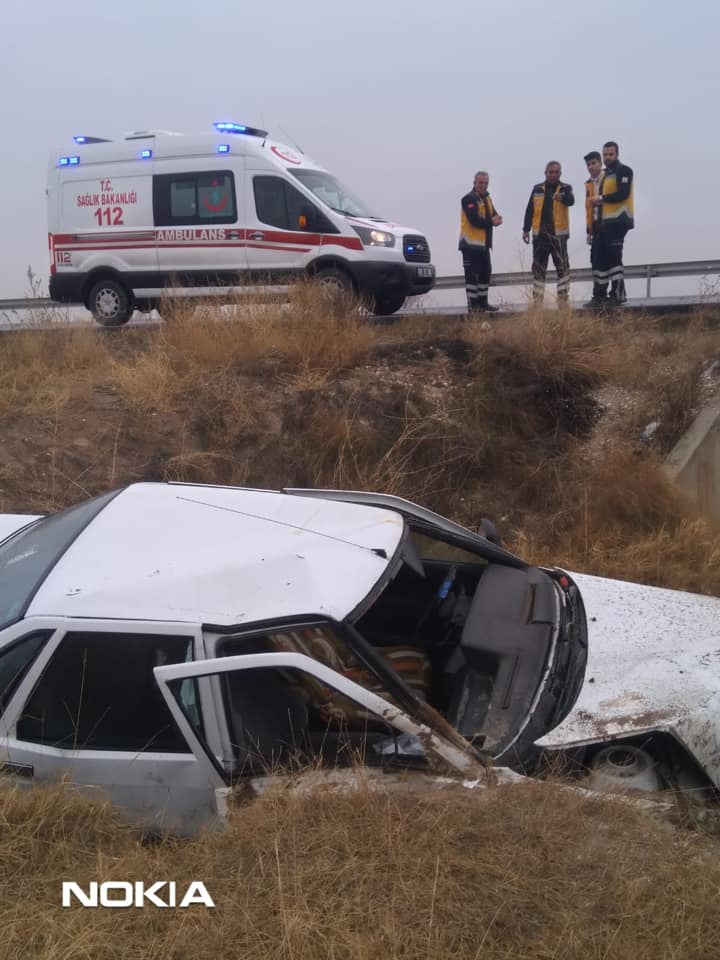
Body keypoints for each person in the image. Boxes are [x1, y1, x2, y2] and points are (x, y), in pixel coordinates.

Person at [588, 141, 635, 306]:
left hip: (619, 221)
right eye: (605, 154)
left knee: (614, 259)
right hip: (603, 223)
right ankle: (599, 296)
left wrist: (600, 199)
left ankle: (618, 295)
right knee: (598, 259)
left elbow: (623, 193)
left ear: (617, 154)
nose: (607, 157)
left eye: (610, 154)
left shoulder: (624, 170)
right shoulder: (605, 175)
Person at [522, 161, 575, 305]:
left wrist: (563, 197)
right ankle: (537, 302)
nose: (553, 174)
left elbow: (571, 201)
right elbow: (530, 210)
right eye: (551, 172)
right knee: (539, 270)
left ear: (560, 174)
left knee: (563, 269)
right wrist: (525, 229)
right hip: (540, 237)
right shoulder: (537, 189)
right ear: (545, 173)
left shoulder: (565, 188)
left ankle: (563, 301)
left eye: (556, 172)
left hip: (559, 237)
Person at [459, 171, 503, 313]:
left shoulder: (487, 198)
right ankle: (473, 307)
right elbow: (474, 220)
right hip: (470, 245)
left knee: (485, 273)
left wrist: (497, 218)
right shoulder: (468, 199)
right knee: (472, 276)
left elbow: (493, 213)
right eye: (481, 183)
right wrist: (492, 222)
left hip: (483, 245)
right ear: (474, 183)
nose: (483, 185)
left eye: (486, 183)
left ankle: (483, 304)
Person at [583, 150, 606, 305]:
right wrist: (589, 229)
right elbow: (588, 208)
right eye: (588, 164)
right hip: (595, 227)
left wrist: (601, 199)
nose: (591, 167)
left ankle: (605, 295)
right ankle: (598, 295)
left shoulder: (608, 179)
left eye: (593, 163)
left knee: (608, 261)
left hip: (608, 225)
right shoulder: (589, 183)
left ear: (600, 163)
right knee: (595, 261)